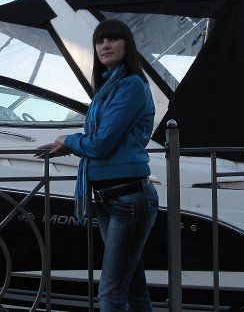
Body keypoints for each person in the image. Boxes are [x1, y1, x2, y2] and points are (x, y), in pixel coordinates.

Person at [36, 19, 158, 312]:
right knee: (133, 290)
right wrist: (70, 145)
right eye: (100, 41)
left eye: (113, 39)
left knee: (110, 292)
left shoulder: (131, 86)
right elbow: (100, 139)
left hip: (128, 198)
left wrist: (68, 139)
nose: (105, 45)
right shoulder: (109, 88)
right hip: (109, 197)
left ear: (127, 45)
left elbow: (101, 143)